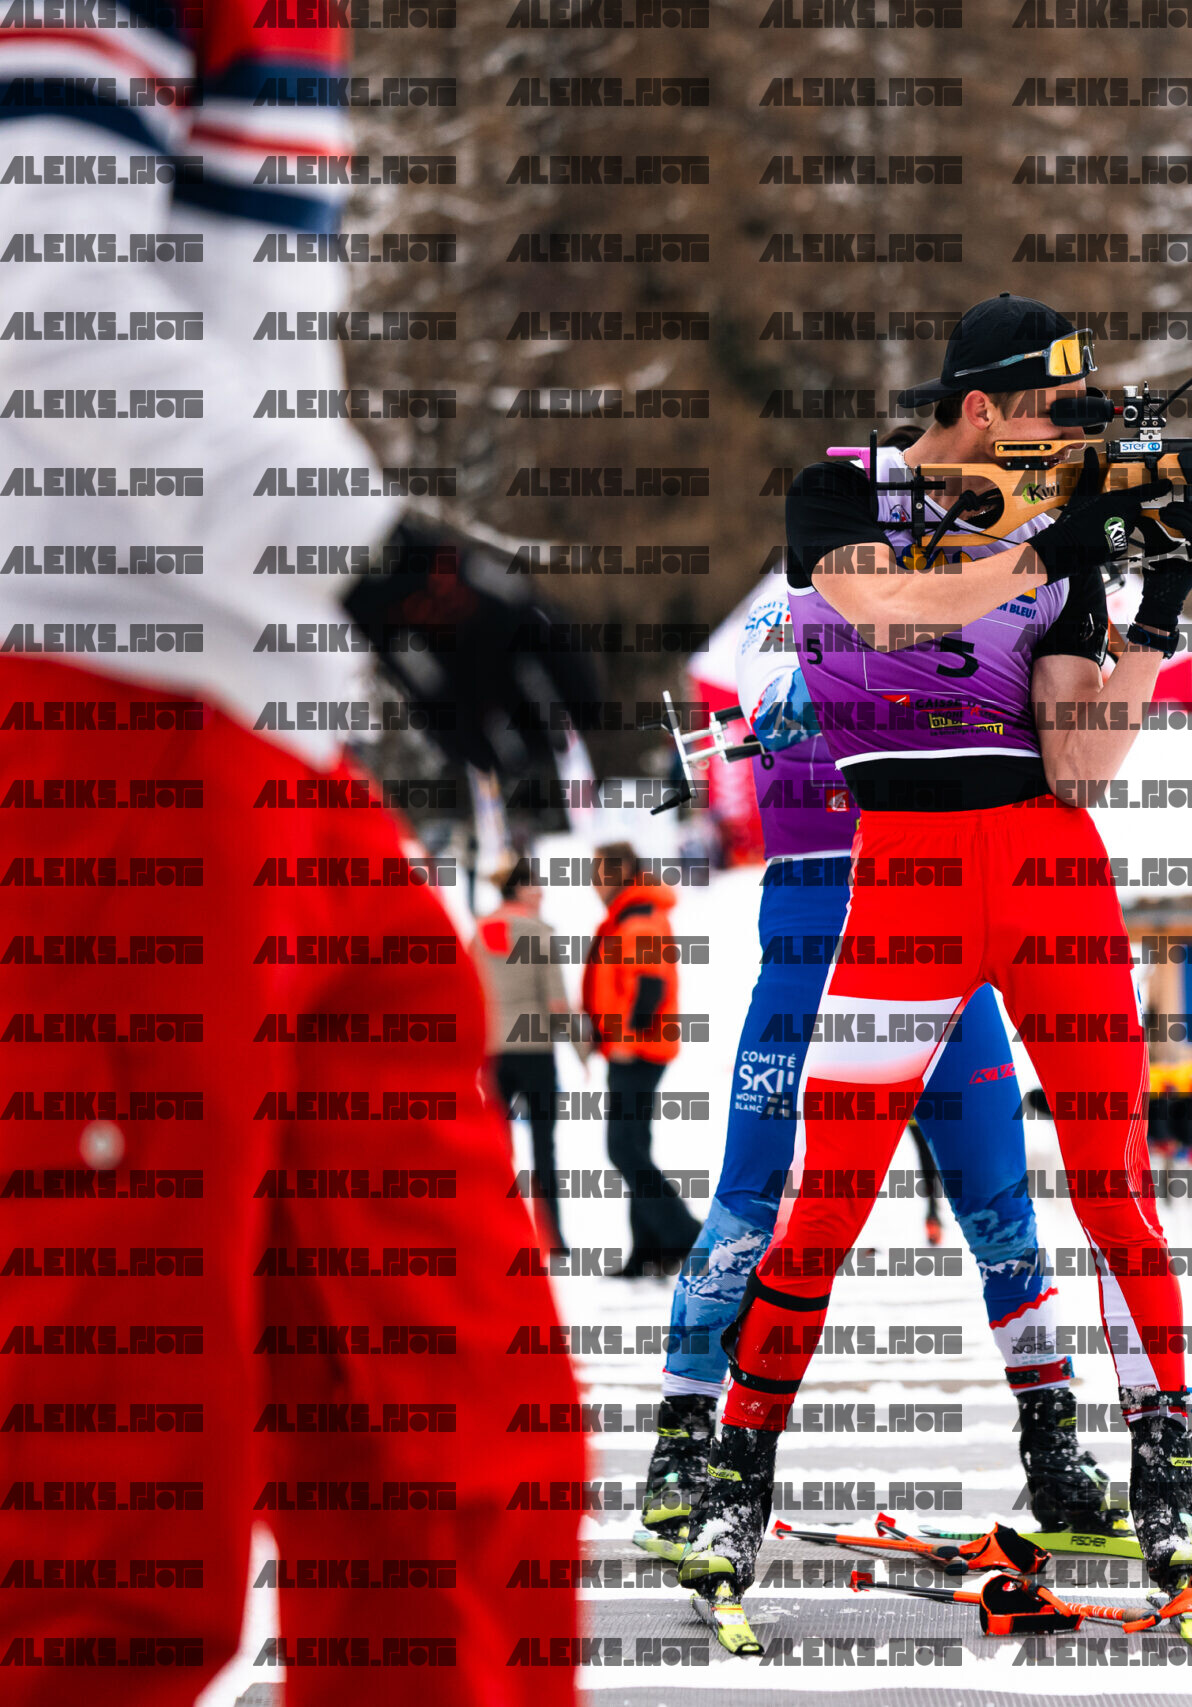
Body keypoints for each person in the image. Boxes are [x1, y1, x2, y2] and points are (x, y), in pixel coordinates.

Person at [0, 0, 583, 1692]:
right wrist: (375, 556)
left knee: (460, 1443)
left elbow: (223, 346)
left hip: (272, 748)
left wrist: (372, 601)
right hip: (83, 726)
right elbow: (56, 325)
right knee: (107, 1521)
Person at [675, 295, 1192, 1649]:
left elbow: (1081, 759)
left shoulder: (1058, 534)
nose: (1066, 439)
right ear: (981, 407)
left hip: (1048, 870)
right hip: (907, 877)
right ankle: (736, 1480)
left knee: (1116, 1187)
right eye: (1050, 413)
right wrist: (1045, 543)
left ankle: (1168, 1473)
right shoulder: (841, 491)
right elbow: (880, 607)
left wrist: (1155, 610)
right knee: (827, 1196)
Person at [635, 542, 1117, 1574]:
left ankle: (1053, 1440)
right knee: (753, 1196)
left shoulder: (964, 585)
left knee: (1000, 1200)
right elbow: (786, 706)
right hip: (815, 939)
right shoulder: (787, 604)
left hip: (936, 914)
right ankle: (685, 1438)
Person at [583, 842, 704, 1276]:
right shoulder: (628, 915)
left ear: (620, 870)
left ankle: (686, 1235)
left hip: (639, 1048)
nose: (593, 881)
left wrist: (628, 1039)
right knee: (634, 1145)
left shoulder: (639, 918)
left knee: (623, 1147)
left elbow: (650, 986)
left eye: (598, 870)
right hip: (633, 1045)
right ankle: (649, 1250)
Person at [474, 863, 580, 1250]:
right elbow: (557, 1003)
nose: (542, 894)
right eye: (536, 887)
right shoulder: (538, 932)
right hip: (534, 1051)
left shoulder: (478, 933)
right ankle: (550, 1236)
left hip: (494, 1052)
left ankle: (495, 1232)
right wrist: (584, 1051)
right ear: (519, 890)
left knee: (497, 1147)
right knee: (543, 1146)